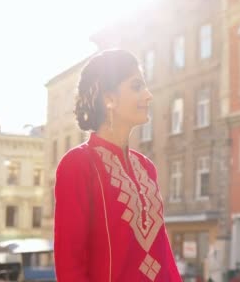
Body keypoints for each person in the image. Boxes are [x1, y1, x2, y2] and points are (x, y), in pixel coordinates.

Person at [54, 49, 181, 282]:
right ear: (109, 99)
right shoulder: (77, 165)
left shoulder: (146, 168)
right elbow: (70, 263)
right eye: (136, 87)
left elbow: (163, 251)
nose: (148, 95)